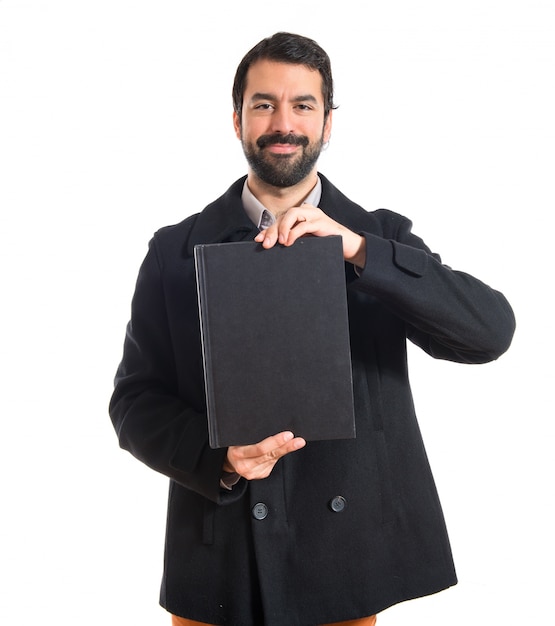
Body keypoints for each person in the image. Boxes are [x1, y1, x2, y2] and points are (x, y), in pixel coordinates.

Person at [109, 32, 516, 626]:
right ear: (237, 119)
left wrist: (358, 251)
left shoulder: (380, 237)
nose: (283, 122)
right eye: (264, 103)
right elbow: (133, 401)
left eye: (303, 105)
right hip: (220, 555)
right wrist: (216, 456)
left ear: (328, 123)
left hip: (347, 562)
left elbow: (490, 332)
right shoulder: (175, 251)